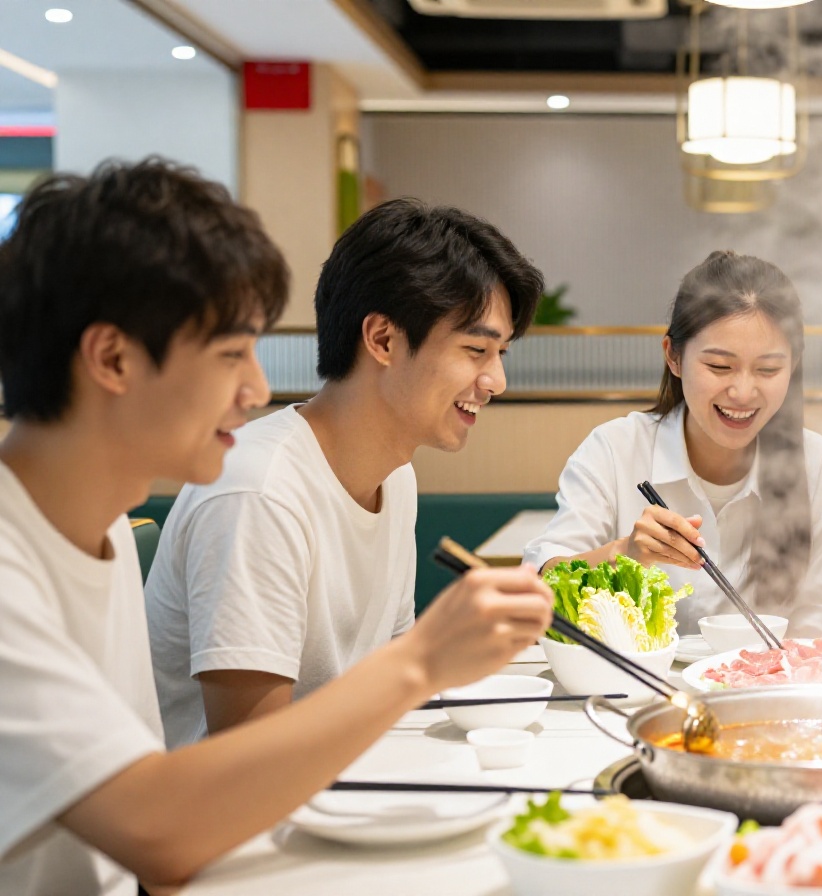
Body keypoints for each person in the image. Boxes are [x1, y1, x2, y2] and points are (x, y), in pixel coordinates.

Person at [0, 159, 552, 895]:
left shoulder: (91, 531)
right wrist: (422, 660)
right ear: (113, 358)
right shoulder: (18, 563)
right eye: (231, 354)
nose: (256, 389)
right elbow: (159, 833)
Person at [145, 199, 543, 746]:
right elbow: (251, 750)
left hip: (346, 773)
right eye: (476, 349)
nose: (496, 380)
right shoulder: (260, 491)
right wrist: (426, 660)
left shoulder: (395, 477)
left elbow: (388, 687)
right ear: (382, 339)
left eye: (501, 354)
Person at [526, 250, 822, 638]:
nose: (743, 391)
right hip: (638, 676)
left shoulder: (816, 463)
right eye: (719, 366)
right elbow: (539, 589)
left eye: (768, 369)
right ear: (674, 357)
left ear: (793, 365)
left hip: (770, 676)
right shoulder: (615, 450)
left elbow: (820, 621)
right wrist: (624, 554)